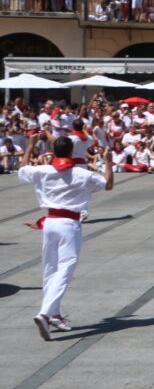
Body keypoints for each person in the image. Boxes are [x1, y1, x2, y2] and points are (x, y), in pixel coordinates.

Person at [19, 135, 114, 340]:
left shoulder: (42, 171)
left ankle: (54, 314)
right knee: (65, 268)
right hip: (69, 224)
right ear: (72, 152)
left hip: (50, 222)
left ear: (53, 151)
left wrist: (31, 145)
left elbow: (23, 168)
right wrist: (107, 161)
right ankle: (45, 313)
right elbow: (107, 184)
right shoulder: (81, 173)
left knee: (50, 269)